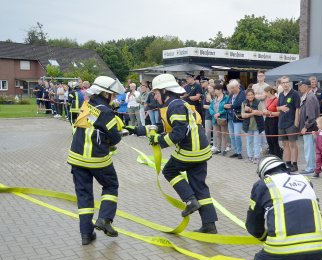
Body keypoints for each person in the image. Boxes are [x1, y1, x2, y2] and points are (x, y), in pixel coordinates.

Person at [132, 74, 218, 233]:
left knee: (169, 170)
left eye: (156, 93)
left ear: (165, 91)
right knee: (200, 186)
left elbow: (178, 133)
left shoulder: (174, 106)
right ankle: (209, 224)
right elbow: (163, 126)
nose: (155, 97)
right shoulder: (175, 104)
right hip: (200, 149)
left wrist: (158, 141)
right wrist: (136, 130)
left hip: (190, 150)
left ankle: (190, 200)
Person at [67, 76, 126, 245]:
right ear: (104, 93)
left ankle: (86, 234)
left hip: (76, 157)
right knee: (111, 185)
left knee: (84, 196)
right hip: (96, 158)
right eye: (112, 95)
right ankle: (104, 219)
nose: (114, 98)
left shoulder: (87, 104)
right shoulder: (105, 111)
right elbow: (115, 138)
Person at [246, 155, 322, 260]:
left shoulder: (263, 185)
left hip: (281, 249)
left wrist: (264, 237)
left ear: (263, 173)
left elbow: (253, 226)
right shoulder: (306, 180)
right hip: (317, 248)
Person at [277, 76, 300, 172]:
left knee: (292, 144)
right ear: (281, 84)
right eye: (283, 82)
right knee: (285, 144)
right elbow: (277, 107)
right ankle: (288, 163)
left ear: (290, 83)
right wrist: (281, 108)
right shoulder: (281, 94)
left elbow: (298, 108)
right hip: (282, 122)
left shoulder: (294, 94)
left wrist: (296, 121)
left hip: (291, 123)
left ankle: (295, 164)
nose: (285, 84)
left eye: (287, 82)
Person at [298, 79, 320, 175]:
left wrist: (305, 127)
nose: (299, 87)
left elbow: (311, 117)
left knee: (309, 149)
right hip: (309, 128)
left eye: (300, 85)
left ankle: (310, 168)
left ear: (306, 86)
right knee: (309, 148)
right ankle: (310, 167)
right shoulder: (308, 96)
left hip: (310, 129)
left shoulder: (310, 98)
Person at [224, 79, 246, 159]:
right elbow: (227, 103)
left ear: (237, 86)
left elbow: (238, 104)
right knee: (232, 135)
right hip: (230, 117)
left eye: (233, 88)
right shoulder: (231, 95)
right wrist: (227, 106)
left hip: (237, 117)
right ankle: (235, 151)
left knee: (237, 135)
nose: (232, 89)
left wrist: (229, 106)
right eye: (231, 88)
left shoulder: (242, 94)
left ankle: (239, 152)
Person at [241, 89, 265, 164]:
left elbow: (261, 113)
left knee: (257, 142)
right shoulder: (244, 103)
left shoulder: (258, 102)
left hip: (257, 125)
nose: (250, 96)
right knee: (249, 142)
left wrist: (250, 110)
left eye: (252, 94)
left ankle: (256, 157)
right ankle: (250, 157)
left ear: (254, 95)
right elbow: (243, 115)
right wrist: (253, 113)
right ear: (246, 96)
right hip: (248, 126)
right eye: (248, 95)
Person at [263, 86, 283, 158]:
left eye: (265, 92)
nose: (264, 94)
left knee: (274, 140)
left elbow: (279, 113)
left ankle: (278, 156)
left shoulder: (276, 100)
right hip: (267, 119)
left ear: (268, 92)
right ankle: (271, 155)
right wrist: (265, 112)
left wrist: (269, 112)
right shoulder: (267, 100)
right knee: (268, 139)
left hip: (274, 120)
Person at [209, 84, 229, 156]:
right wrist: (213, 114)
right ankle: (218, 148)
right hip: (215, 119)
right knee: (217, 134)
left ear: (220, 90)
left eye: (216, 90)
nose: (214, 91)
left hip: (222, 119)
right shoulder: (214, 99)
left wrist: (219, 113)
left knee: (224, 134)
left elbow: (227, 108)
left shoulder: (226, 98)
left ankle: (224, 149)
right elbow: (210, 107)